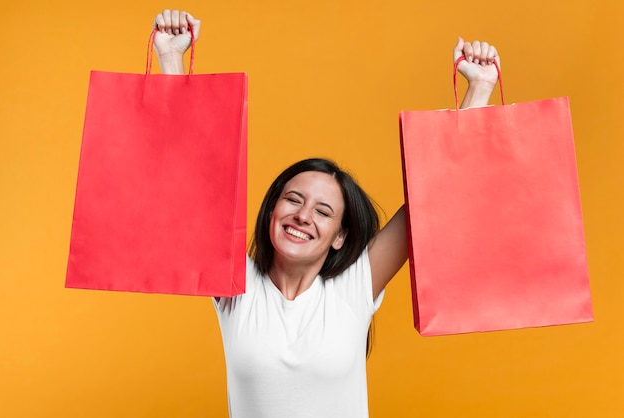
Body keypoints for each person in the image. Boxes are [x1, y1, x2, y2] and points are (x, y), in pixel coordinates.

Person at [152, 9, 500, 418]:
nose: (302, 216)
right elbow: (190, 191)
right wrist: (171, 60)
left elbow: (433, 198)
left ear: (339, 235)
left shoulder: (353, 288)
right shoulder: (237, 288)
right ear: (272, 211)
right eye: (293, 199)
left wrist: (479, 90)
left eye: (323, 211)